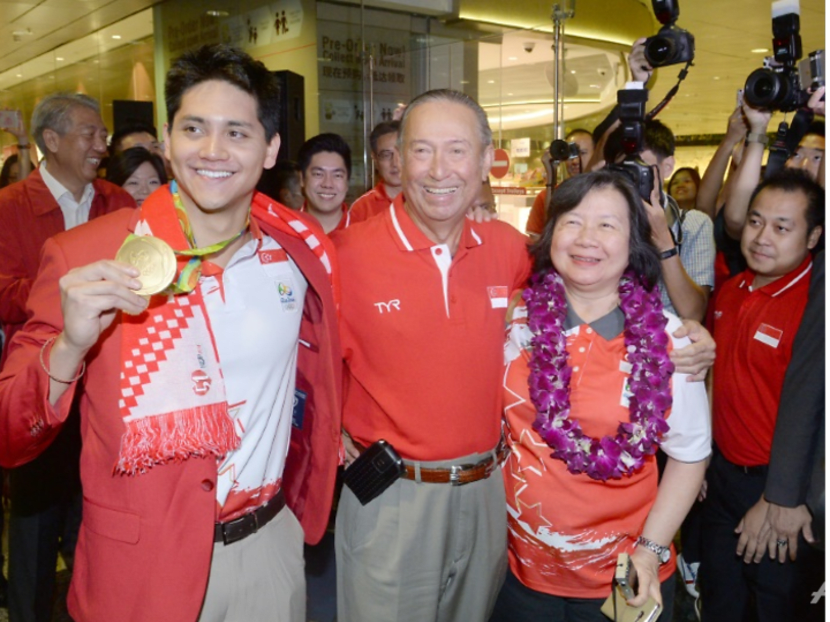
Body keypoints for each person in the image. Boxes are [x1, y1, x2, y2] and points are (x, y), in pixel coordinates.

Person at [0, 44, 342, 622]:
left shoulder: (298, 250)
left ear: (271, 149)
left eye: (237, 132)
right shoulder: (89, 256)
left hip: (268, 548)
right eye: (194, 128)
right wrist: (69, 348)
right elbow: (11, 432)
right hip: (141, 569)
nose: (213, 151)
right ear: (166, 135)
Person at [333, 89, 533, 622]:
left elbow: (577, 304)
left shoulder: (507, 248)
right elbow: (301, 364)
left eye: (457, 150)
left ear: (487, 158)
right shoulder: (345, 256)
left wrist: (673, 336)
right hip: (394, 498)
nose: (438, 170)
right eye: (421, 151)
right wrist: (325, 430)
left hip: (489, 493)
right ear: (397, 158)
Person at [490, 170, 710, 622]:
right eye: (572, 221)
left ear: (634, 244)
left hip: (624, 579)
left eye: (607, 225)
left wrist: (650, 551)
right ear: (551, 233)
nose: (586, 238)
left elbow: (689, 456)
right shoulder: (514, 321)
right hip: (518, 574)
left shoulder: (669, 342)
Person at [0, 92, 135, 622]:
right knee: (34, 530)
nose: (103, 145)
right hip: (43, 381)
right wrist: (64, 293)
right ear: (50, 141)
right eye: (90, 134)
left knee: (99, 522)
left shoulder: (119, 202)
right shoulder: (10, 206)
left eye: (103, 135)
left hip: (106, 389)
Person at [702, 169, 825, 622]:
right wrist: (700, 458)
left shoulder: (814, 305)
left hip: (782, 489)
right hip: (721, 480)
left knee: (778, 606)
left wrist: (780, 497)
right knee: (720, 601)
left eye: (782, 227)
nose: (762, 237)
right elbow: (716, 375)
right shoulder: (733, 290)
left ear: (812, 236)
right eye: (755, 221)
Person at [605, 119, 715, 322]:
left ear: (666, 167)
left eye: (640, 169)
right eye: (624, 171)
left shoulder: (693, 225)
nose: (631, 180)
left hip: (668, 346)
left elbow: (693, 312)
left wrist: (664, 241)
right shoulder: (602, 222)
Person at [526, 128, 596, 239]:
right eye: (570, 154)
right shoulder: (545, 197)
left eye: (582, 153)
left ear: (595, 154)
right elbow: (537, 245)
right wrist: (551, 176)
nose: (575, 161)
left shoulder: (607, 196)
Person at [298, 132, 352, 233]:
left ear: (347, 182)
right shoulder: (284, 229)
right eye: (318, 174)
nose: (327, 184)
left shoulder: (366, 232)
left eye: (337, 175)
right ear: (302, 179)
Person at [349, 120, 402, 223]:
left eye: (400, 154)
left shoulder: (428, 200)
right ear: (375, 159)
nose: (395, 163)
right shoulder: (361, 209)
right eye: (386, 155)